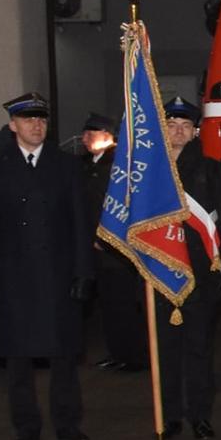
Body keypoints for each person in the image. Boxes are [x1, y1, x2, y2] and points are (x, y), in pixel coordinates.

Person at [0, 93, 93, 440]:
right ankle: (26, 426)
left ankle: (67, 423)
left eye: (41, 120)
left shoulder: (66, 165)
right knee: (18, 359)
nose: (36, 126)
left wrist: (84, 272)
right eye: (28, 120)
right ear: (13, 125)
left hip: (57, 276)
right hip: (13, 278)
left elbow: (79, 224)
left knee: (64, 357)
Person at [151, 98, 221, 440]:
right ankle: (169, 415)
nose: (178, 130)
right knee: (165, 350)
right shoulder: (150, 173)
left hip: (199, 276)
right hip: (159, 274)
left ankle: (200, 415)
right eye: (172, 124)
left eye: (185, 126)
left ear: (195, 131)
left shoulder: (211, 170)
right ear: (163, 130)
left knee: (199, 349)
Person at [77, 112, 142, 373]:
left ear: (107, 135)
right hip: (93, 248)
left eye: (91, 134)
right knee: (108, 305)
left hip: (115, 250)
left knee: (123, 304)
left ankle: (133, 355)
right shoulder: (86, 164)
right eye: (84, 134)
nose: (85, 139)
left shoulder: (118, 164)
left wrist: (107, 238)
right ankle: (117, 352)